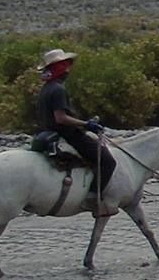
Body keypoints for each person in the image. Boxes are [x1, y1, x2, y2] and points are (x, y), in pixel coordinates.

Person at [35, 49, 116, 214]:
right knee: (108, 162)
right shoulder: (58, 90)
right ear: (60, 68)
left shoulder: (46, 88)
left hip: (47, 131)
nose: (68, 70)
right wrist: (87, 124)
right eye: (65, 67)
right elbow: (61, 118)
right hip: (67, 134)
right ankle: (92, 198)